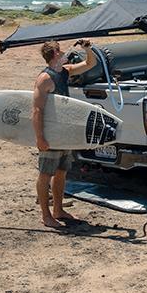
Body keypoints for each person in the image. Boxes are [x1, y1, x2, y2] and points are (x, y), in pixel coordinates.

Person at [33, 39, 97, 227]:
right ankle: (46, 216)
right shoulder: (45, 79)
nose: (64, 53)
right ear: (55, 54)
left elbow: (89, 64)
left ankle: (58, 210)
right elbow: (36, 110)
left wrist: (88, 49)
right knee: (46, 174)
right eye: (60, 51)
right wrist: (40, 138)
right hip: (50, 134)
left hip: (63, 133)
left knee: (61, 172)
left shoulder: (65, 71)